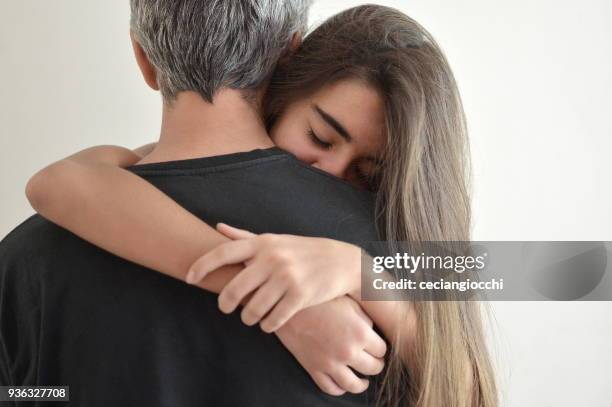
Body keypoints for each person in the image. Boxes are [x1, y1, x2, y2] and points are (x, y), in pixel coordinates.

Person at [22, 4, 498, 407]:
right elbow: (59, 181)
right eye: (320, 137)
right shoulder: (381, 240)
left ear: (144, 59)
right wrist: (273, 299)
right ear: (287, 66)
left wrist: (361, 273)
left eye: (367, 174)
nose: (328, 175)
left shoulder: (32, 249)